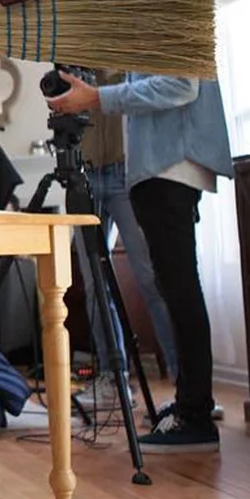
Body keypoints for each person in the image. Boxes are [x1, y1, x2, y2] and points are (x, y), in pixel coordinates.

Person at [47, 70, 233, 453]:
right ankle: (189, 404)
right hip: (161, 168)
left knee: (178, 291)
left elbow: (180, 87)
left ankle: (195, 415)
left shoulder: (165, 16)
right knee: (175, 288)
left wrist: (98, 98)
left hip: (170, 167)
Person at [71, 70, 178, 411]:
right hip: (85, 174)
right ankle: (113, 379)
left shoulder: (124, 52)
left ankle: (185, 385)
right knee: (94, 288)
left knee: (153, 279)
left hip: (127, 172)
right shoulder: (71, 61)